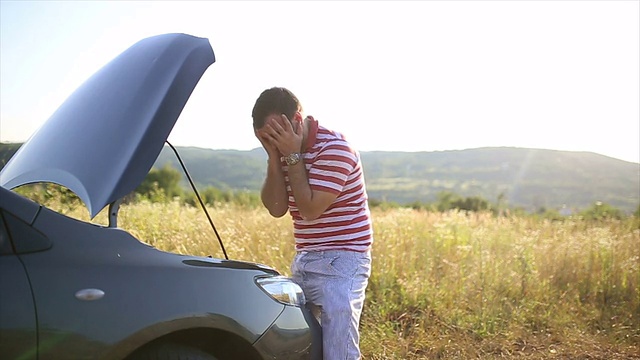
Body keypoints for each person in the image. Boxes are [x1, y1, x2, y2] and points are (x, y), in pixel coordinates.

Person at [252, 87, 373, 360]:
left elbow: (308, 209)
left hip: (343, 260)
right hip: (305, 257)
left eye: (275, 134)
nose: (273, 141)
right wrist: (274, 156)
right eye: (265, 138)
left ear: (297, 119)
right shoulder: (283, 150)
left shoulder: (336, 149)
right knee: (295, 343)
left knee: (338, 352)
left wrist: (292, 155)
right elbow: (276, 207)